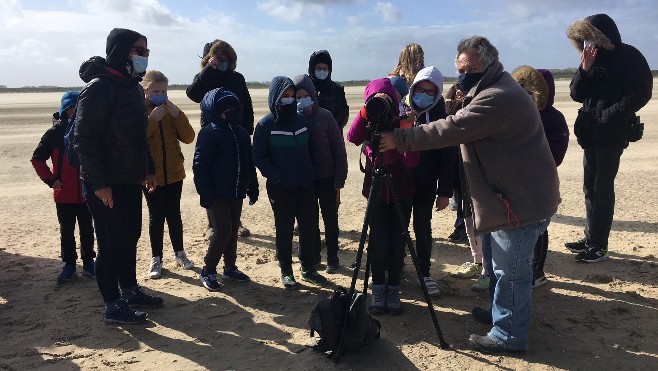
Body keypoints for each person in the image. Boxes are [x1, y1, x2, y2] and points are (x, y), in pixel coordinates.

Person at [380, 36, 560, 354]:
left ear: (488, 64)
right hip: (508, 197)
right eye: (459, 69)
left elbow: (451, 129)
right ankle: (501, 316)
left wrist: (399, 138)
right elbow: (458, 120)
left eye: (470, 68)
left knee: (511, 273)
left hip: (520, 202)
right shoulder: (489, 89)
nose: (463, 75)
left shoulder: (498, 97)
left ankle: (509, 335)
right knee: (501, 268)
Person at [74, 28, 163, 324]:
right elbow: (84, 139)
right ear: (122, 51)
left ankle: (130, 289)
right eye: (139, 50)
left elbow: (140, 135)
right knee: (111, 244)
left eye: (146, 51)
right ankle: (112, 304)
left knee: (130, 237)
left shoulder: (134, 87)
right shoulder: (100, 87)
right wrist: (100, 184)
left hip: (130, 178)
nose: (144, 56)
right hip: (105, 184)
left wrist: (148, 168)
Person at [565, 13, 653, 262]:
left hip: (612, 134)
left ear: (602, 37)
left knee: (602, 189)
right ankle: (591, 237)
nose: (586, 45)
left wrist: (607, 116)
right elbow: (575, 94)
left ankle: (599, 246)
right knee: (589, 188)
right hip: (589, 134)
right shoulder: (590, 60)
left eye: (589, 38)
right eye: (582, 41)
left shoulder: (629, 56)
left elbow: (641, 93)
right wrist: (586, 69)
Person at [347, 78, 420, 316]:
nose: (382, 105)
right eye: (376, 99)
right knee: (377, 244)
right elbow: (352, 137)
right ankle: (378, 290)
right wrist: (366, 110)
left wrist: (404, 133)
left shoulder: (402, 122)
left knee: (398, 244)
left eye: (386, 100)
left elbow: (413, 161)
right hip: (376, 192)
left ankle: (393, 290)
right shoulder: (370, 120)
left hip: (402, 191)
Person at [252, 76, 327, 289]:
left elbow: (313, 148)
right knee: (284, 230)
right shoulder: (266, 125)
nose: (290, 99)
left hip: (305, 186)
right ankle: (286, 270)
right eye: (286, 96)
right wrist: (276, 176)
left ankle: (308, 268)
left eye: (292, 96)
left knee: (308, 228)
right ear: (276, 97)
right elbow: (259, 156)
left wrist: (312, 170)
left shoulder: (302, 122)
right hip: (280, 189)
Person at [186, 39, 254, 238]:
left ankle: (236, 223)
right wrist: (209, 70)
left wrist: (247, 130)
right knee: (212, 178)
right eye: (218, 58)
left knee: (235, 177)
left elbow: (247, 105)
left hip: (236, 134)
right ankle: (212, 224)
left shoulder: (237, 78)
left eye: (226, 59)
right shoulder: (205, 77)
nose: (223, 62)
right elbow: (193, 94)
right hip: (212, 135)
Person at [193, 87, 259, 291]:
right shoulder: (209, 133)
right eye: (225, 109)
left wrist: (253, 185)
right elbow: (200, 165)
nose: (230, 112)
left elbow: (249, 161)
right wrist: (205, 193)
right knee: (223, 230)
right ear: (214, 111)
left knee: (232, 231)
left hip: (236, 190)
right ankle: (208, 269)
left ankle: (230, 267)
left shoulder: (241, 132)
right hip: (216, 193)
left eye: (233, 108)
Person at [512, 66, 570, 287]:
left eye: (531, 89)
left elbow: (556, 153)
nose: (526, 93)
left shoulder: (554, 118)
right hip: (513, 180)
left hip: (540, 181)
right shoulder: (515, 113)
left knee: (538, 227)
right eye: (522, 88)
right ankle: (522, 269)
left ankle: (537, 270)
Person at [31, 91, 95, 283]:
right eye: (71, 109)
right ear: (64, 110)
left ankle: (89, 264)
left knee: (87, 229)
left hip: (86, 193)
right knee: (67, 230)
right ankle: (69, 265)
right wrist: (51, 180)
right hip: (64, 194)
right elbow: (37, 159)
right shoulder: (54, 134)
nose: (75, 112)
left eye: (78, 108)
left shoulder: (88, 130)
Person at [406, 66, 458, 297]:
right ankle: (396, 267)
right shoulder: (402, 111)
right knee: (397, 228)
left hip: (426, 185)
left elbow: (449, 157)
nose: (424, 95)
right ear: (413, 88)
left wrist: (445, 191)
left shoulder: (442, 119)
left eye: (430, 91)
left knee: (422, 228)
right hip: (399, 183)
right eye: (420, 89)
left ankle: (424, 272)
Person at [141, 70, 196, 279]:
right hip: (150, 175)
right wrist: (151, 120)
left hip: (174, 173)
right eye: (156, 91)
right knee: (156, 217)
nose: (161, 94)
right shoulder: (140, 111)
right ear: (145, 90)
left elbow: (189, 137)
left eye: (164, 90)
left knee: (174, 215)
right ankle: (156, 259)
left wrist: (177, 115)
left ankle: (180, 254)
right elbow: (136, 140)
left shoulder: (172, 110)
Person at [293, 74, 348, 273]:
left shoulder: (325, 116)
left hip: (327, 178)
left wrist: (339, 179)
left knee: (330, 220)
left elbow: (339, 149)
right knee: (310, 221)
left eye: (305, 95)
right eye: (297, 96)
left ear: (312, 95)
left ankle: (333, 257)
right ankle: (314, 257)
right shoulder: (293, 119)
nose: (301, 100)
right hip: (306, 180)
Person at [444, 82, 490, 292]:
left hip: (483, 175)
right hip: (464, 174)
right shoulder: (454, 120)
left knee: (485, 221)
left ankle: (488, 271)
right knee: (468, 216)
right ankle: (478, 260)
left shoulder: (485, 109)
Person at [308, 50, 350, 130]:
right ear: (312, 69)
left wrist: (330, 129)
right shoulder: (306, 88)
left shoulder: (338, 89)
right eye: (318, 68)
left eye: (325, 68)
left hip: (333, 135)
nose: (322, 71)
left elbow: (343, 113)